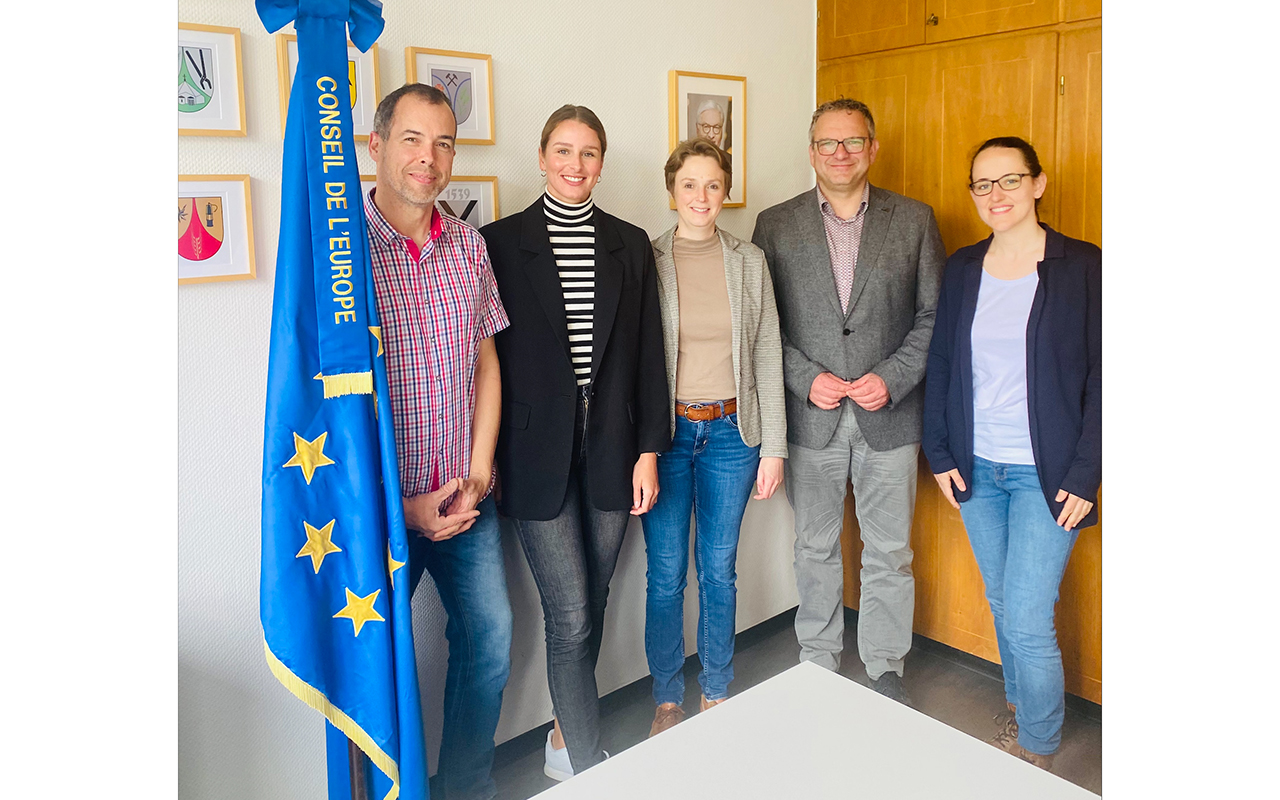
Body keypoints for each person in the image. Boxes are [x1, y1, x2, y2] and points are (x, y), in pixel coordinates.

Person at [479, 105, 669, 781]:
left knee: (595, 598)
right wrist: (486, 457)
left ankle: (562, 735)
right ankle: (588, 765)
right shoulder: (499, 243)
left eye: (588, 153)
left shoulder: (629, 242)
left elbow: (650, 353)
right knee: (570, 611)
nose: (575, 165)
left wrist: (649, 448)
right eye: (563, 150)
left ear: (602, 161)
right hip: (535, 455)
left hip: (615, 448)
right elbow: (486, 362)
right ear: (541, 155)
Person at [751, 98, 946, 704]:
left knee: (890, 550)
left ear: (873, 147)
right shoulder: (775, 224)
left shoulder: (914, 220)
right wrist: (805, 376)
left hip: (890, 418)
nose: (840, 153)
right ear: (811, 152)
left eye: (853, 142)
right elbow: (763, 327)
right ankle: (818, 655)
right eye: (828, 143)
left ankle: (886, 665)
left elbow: (932, 316)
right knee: (814, 545)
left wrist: (894, 376)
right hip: (811, 421)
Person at [922, 136, 1100, 771]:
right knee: (1003, 603)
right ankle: (1024, 708)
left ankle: (1038, 751)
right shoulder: (965, 267)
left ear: (1039, 184)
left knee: (1025, 616)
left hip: (1047, 475)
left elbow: (1106, 377)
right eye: (982, 185)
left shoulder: (1082, 266)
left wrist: (1086, 471)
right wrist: (939, 452)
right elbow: (943, 362)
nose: (995, 196)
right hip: (977, 468)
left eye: (1009, 181)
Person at [364, 83, 512, 800]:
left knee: (489, 644)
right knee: (373, 670)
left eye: (444, 142)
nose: (429, 157)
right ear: (376, 146)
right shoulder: (343, 258)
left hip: (463, 499)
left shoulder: (468, 247)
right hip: (377, 513)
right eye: (413, 139)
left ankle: (464, 789)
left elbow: (485, 361)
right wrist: (405, 507)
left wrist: (479, 470)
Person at [643, 139, 787, 737]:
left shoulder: (749, 261)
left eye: (712, 186)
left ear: (725, 192)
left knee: (719, 570)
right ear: (671, 190)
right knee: (665, 573)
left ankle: (718, 692)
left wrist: (774, 445)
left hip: (733, 434)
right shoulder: (644, 259)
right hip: (667, 437)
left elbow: (767, 352)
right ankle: (667, 700)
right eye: (689, 185)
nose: (701, 197)